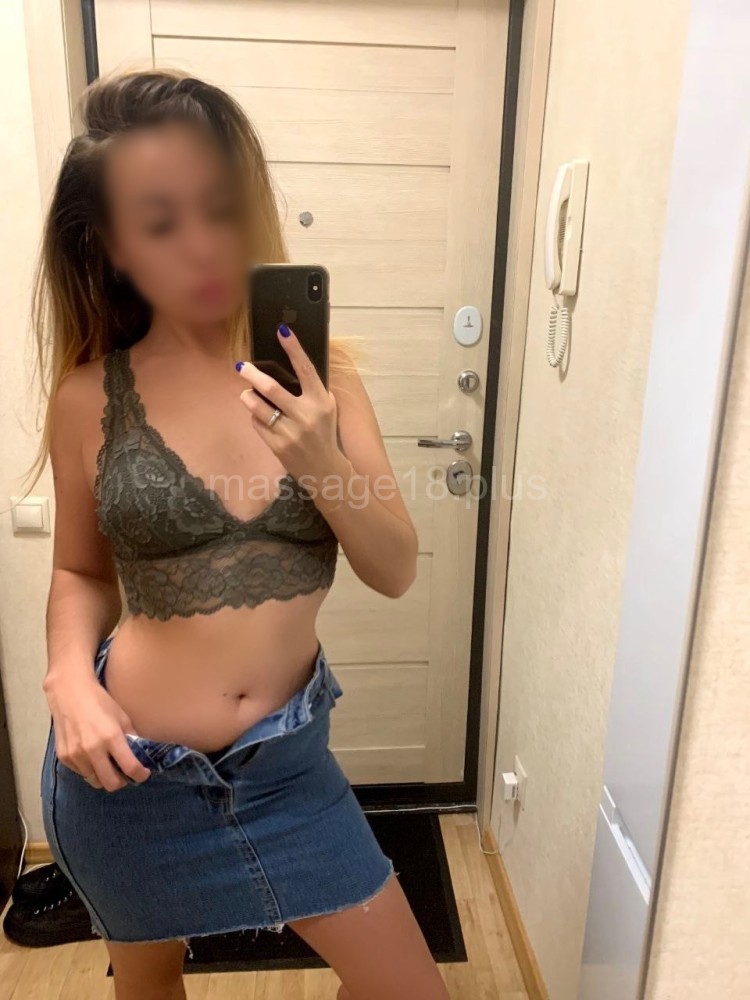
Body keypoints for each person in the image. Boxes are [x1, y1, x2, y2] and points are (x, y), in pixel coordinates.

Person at [32, 69, 449, 1000]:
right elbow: (79, 572)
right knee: (149, 988)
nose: (204, 243)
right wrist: (67, 679)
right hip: (127, 777)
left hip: (287, 771)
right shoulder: (87, 398)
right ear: (110, 244)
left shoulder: (327, 380)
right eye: (160, 221)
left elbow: (393, 569)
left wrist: (321, 458)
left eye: (220, 207)